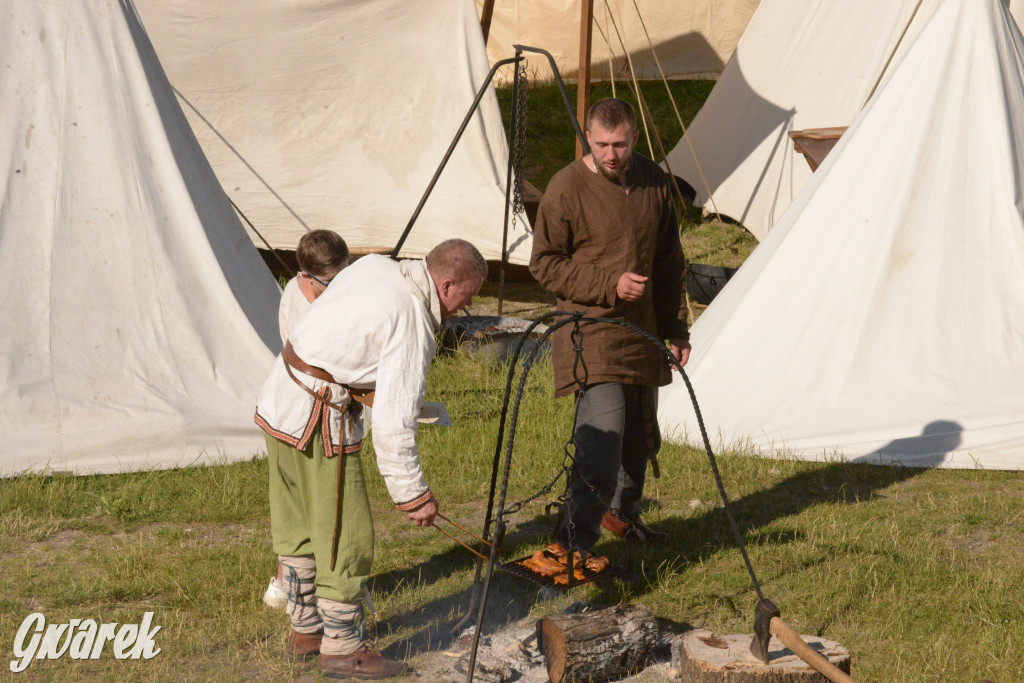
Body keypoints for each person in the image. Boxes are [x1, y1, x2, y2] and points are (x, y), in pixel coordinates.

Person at [254, 238, 486, 679]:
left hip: (278, 398)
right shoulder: (412, 318)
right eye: (466, 297)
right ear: (447, 283)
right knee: (344, 534)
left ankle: (305, 631)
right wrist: (413, 494)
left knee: (298, 525)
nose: (464, 308)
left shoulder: (378, 266)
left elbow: (344, 349)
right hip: (316, 418)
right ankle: (341, 649)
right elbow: (393, 422)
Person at [529, 97, 691, 553]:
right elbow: (544, 264)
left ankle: (623, 518)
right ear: (589, 138)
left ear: (634, 137)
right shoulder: (565, 187)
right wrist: (608, 284)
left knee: (640, 438)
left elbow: (669, 262)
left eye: (619, 144)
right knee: (603, 441)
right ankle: (573, 542)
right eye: (601, 144)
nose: (611, 154)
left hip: (642, 331)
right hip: (590, 331)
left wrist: (676, 330)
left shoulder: (653, 180)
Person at [264, 229, 351, 610]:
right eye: (330, 283)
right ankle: (298, 590)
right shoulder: (303, 306)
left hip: (293, 409)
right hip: (302, 412)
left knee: (300, 508)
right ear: (305, 276)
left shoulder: (319, 293)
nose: (337, 289)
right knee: (310, 511)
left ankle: (295, 589)